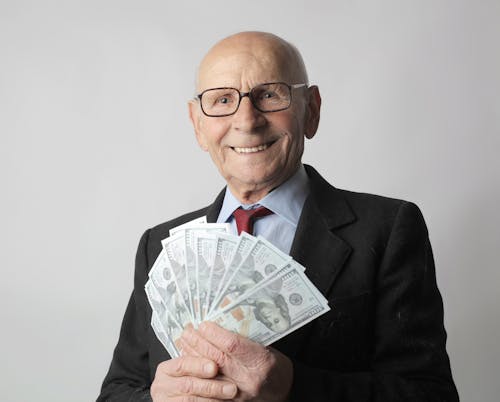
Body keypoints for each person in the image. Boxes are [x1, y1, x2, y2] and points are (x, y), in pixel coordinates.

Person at [97, 31, 459, 401]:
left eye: (269, 94)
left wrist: (293, 387)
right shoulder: (158, 247)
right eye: (222, 100)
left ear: (311, 109)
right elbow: (116, 392)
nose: (247, 120)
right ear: (198, 125)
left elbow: (430, 395)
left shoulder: (387, 229)